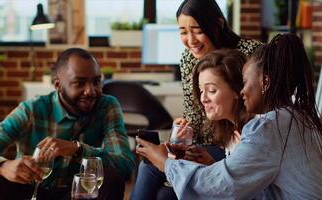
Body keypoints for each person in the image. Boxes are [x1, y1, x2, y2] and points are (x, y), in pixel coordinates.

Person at [137, 33, 322, 199]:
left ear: (265, 82)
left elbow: (223, 189)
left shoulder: (268, 128)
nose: (242, 90)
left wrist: (166, 163)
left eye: (244, 82)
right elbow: (261, 186)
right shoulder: (296, 118)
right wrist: (213, 166)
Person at [130, 0, 261, 199]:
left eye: (197, 30)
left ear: (218, 24)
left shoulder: (251, 53)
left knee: (162, 187)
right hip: (202, 144)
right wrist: (183, 132)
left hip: (237, 145)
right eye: (183, 31)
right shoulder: (188, 58)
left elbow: (263, 109)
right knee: (153, 175)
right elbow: (194, 112)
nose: (190, 40)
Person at [0, 48, 135, 200]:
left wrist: (78, 149)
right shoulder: (31, 110)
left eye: (96, 82)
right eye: (79, 83)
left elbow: (125, 166)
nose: (91, 91)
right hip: (29, 190)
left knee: (111, 179)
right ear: (58, 85)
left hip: (76, 193)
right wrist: (2, 166)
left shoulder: (107, 105)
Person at [131, 48, 252, 200]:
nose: (203, 99)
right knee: (164, 194)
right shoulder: (230, 130)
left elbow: (235, 191)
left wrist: (166, 163)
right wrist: (211, 164)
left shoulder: (252, 134)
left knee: (156, 178)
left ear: (237, 90)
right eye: (201, 91)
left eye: (211, 90)